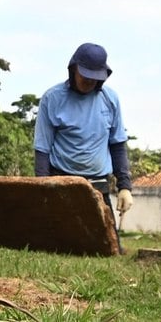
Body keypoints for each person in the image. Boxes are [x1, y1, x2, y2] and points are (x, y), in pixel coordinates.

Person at [33, 43, 133, 252]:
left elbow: (117, 145)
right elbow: (42, 148)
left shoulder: (110, 99)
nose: (88, 81)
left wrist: (124, 187)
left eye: (95, 76)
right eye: (85, 74)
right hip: (61, 181)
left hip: (98, 184)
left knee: (109, 249)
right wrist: (42, 188)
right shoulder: (52, 98)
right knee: (55, 246)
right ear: (73, 69)